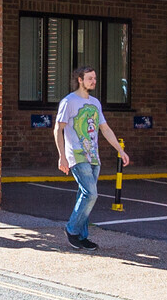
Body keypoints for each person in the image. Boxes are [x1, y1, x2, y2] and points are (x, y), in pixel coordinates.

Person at [54, 65, 128, 250]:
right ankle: (71, 230)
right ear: (80, 80)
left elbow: (105, 129)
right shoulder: (68, 102)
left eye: (95, 78)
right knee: (91, 194)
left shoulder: (95, 103)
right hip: (77, 155)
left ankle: (81, 236)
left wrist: (120, 150)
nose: (93, 81)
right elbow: (58, 129)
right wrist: (62, 157)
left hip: (93, 156)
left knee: (85, 195)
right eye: (90, 78)